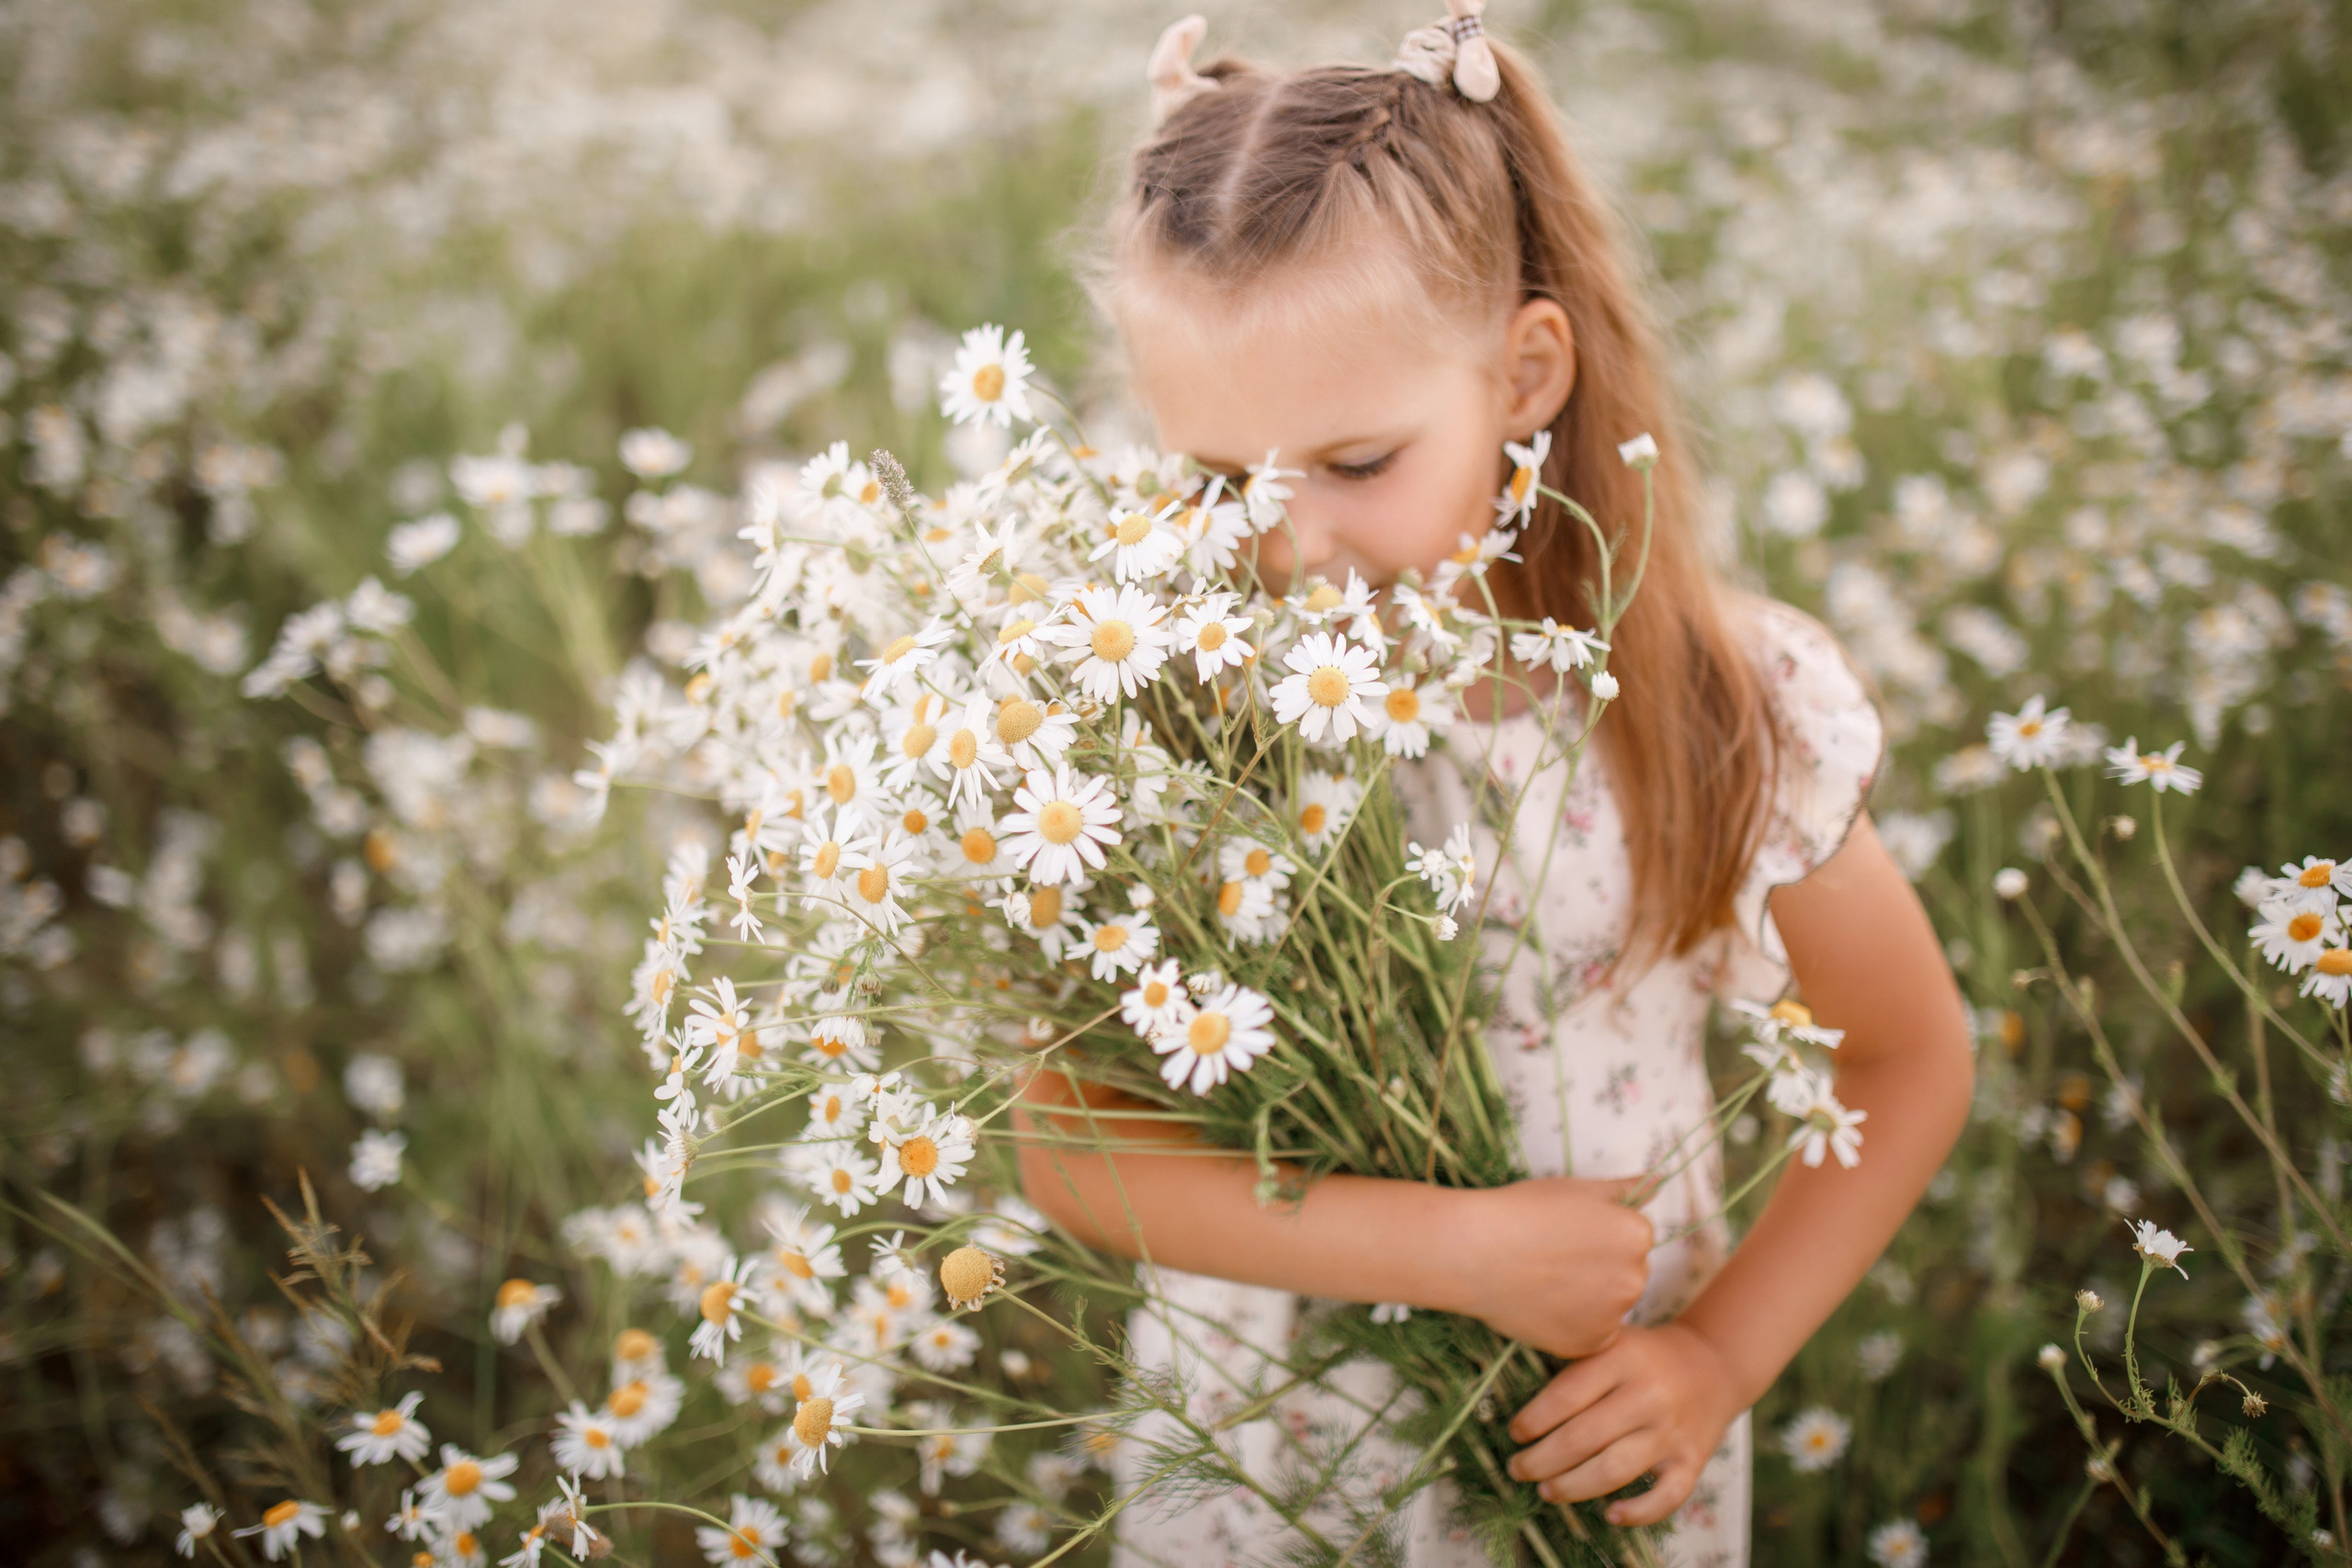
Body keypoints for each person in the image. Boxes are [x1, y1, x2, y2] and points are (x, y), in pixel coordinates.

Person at [1014, 9, 1975, 1564]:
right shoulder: (1172, 724)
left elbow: (1909, 1057)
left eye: (1359, 460)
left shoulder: (1718, 703)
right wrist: (1451, 1250)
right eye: (1220, 481)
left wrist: (1718, 1360)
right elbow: (1069, 1143)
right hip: (1265, 1467)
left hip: (1579, 1459)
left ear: (1525, 373)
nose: (1289, 546)